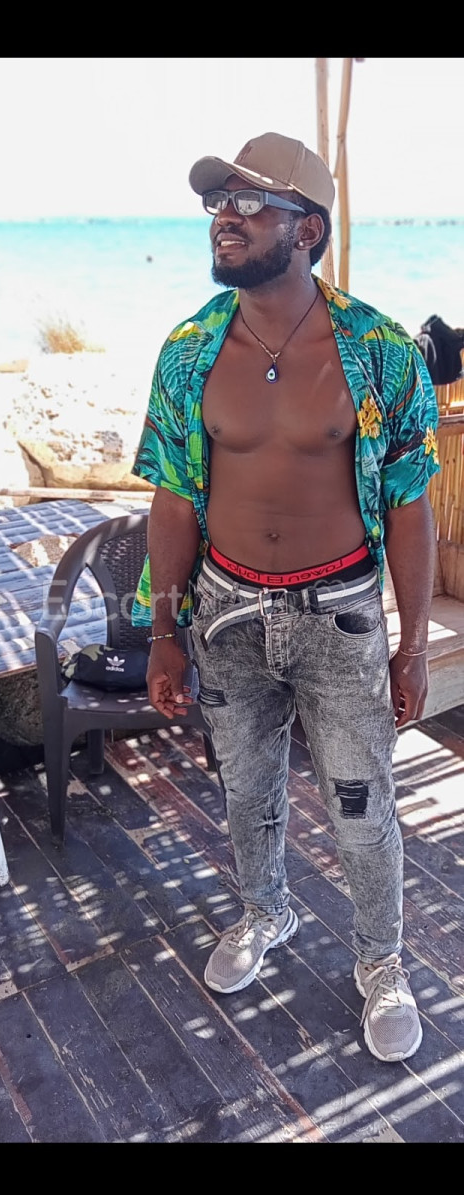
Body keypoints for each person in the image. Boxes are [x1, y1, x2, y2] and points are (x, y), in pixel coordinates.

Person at [130, 131, 440, 1064]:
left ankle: (381, 960)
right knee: (246, 790)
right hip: (225, 610)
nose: (223, 218)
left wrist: (412, 644)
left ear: (306, 229)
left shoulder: (379, 351)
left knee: (362, 806)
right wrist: (164, 630)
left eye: (247, 203)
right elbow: (173, 497)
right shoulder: (189, 351)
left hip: (339, 614)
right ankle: (266, 912)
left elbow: (412, 507)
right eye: (216, 202)